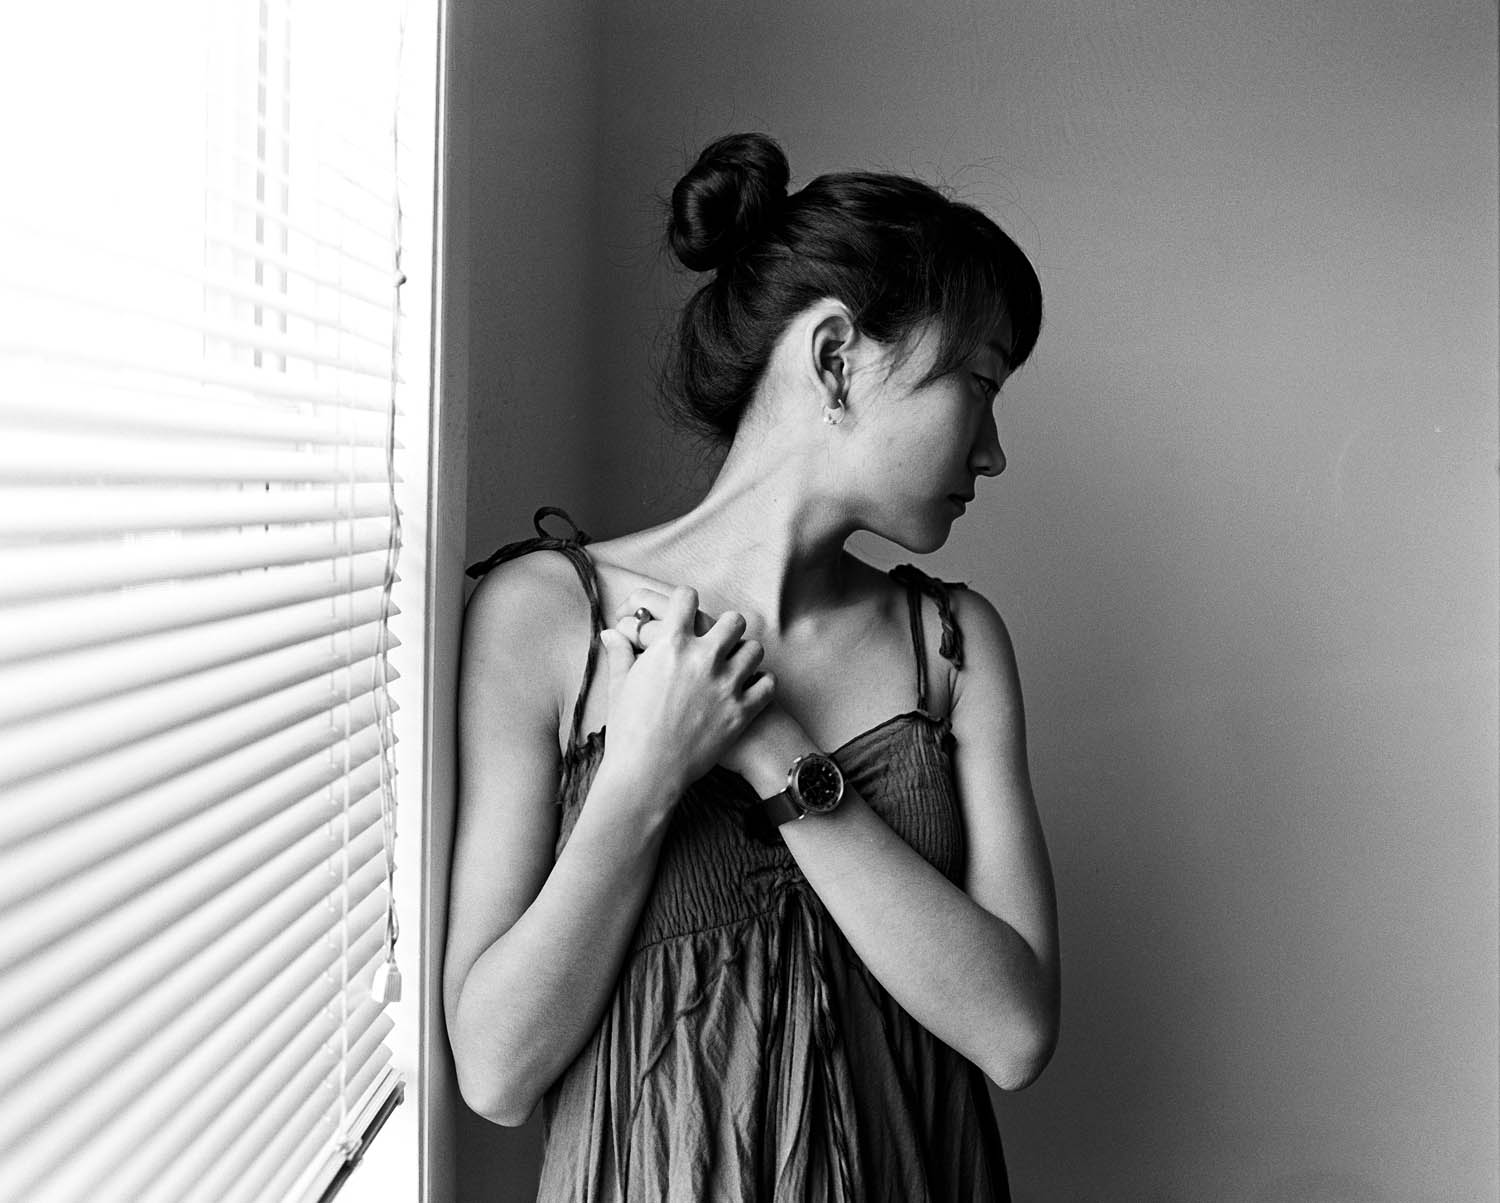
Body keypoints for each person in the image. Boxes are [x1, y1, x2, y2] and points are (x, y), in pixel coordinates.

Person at [446, 131, 1059, 1202]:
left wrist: (777, 750)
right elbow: (496, 1070)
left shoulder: (955, 649)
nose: (995, 449)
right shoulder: (545, 617)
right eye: (979, 383)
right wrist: (642, 772)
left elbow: (1012, 1034)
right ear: (835, 361)